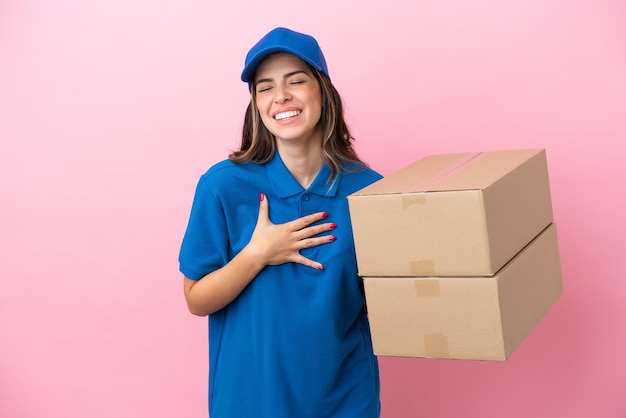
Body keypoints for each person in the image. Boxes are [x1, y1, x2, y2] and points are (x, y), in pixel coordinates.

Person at [179, 27, 381, 418]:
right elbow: (196, 299)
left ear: (323, 90)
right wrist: (256, 254)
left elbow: (387, 302)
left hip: (346, 400)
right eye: (265, 87)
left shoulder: (371, 192)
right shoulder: (222, 186)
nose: (281, 96)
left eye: (297, 81)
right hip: (251, 400)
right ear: (256, 104)